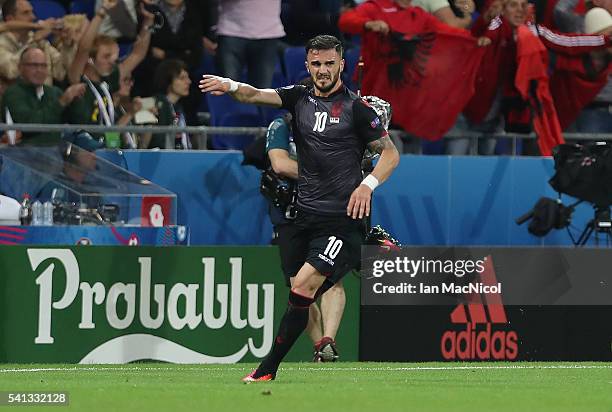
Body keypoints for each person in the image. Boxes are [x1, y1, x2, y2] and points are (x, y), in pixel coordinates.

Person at [200, 34, 400, 382]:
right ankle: (363, 253)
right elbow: (253, 94)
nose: (323, 71)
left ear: (342, 65)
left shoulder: (357, 109)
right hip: (302, 216)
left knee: (305, 285)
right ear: (308, 65)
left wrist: (367, 186)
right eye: (317, 64)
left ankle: (267, 369)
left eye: (330, 64)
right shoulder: (297, 98)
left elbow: (391, 153)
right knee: (299, 289)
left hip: (340, 220)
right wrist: (229, 83)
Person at [264, 112, 346, 362]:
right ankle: (320, 346)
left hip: (326, 214)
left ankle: (328, 341)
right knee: (299, 286)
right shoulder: (281, 125)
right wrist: (325, 177)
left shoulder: (337, 126)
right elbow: (280, 164)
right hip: (291, 219)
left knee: (332, 278)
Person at [0, 47, 86, 146]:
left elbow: (78, 121)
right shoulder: (13, 93)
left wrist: (76, 100)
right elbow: (30, 124)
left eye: (44, 66)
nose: (39, 70)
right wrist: (62, 102)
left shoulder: (54, 92)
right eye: (34, 65)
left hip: (53, 154)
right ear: (20, 68)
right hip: (22, 155)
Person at [140, 59, 192, 149]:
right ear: (168, 80)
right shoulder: (148, 103)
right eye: (182, 78)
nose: (189, 81)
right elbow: (140, 145)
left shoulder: (179, 108)